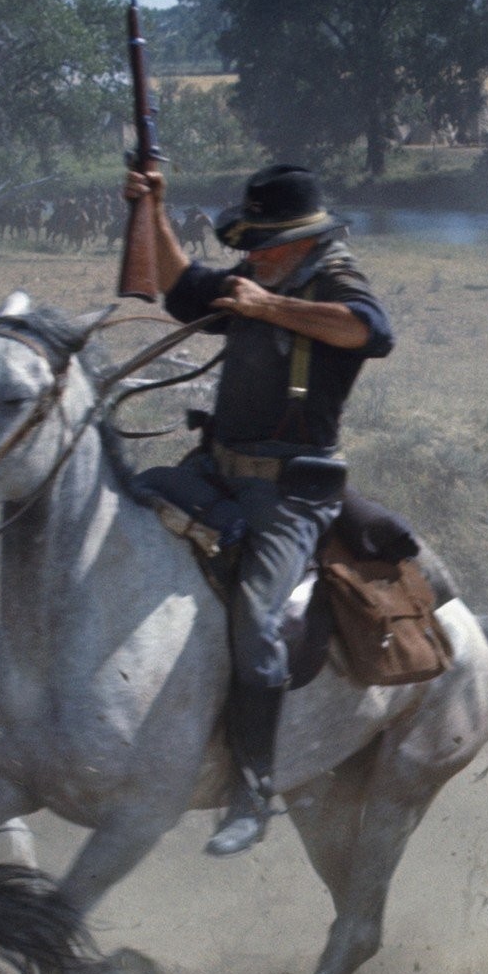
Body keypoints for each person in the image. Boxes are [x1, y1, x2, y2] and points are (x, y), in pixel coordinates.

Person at [121, 162, 395, 857]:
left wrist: (267, 307)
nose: (252, 257)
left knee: (255, 619)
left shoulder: (334, 280)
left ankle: (251, 789)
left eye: (263, 245)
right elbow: (183, 287)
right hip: (215, 468)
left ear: (299, 241)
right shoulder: (260, 276)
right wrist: (154, 207)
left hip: (291, 493)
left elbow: (369, 330)